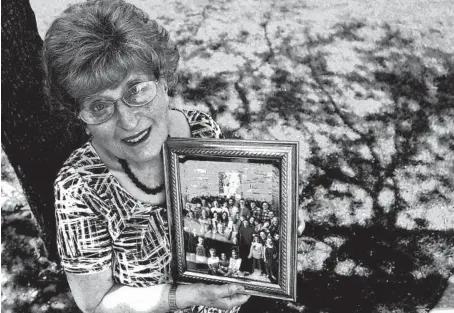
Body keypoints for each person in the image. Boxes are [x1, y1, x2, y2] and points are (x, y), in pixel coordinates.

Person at [46, 1, 251, 312]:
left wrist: (277, 216)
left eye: (137, 90)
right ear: (80, 115)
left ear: (164, 80)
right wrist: (188, 297)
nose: (128, 120)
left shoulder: (201, 130)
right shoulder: (80, 187)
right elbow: (95, 303)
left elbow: (226, 212)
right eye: (100, 106)